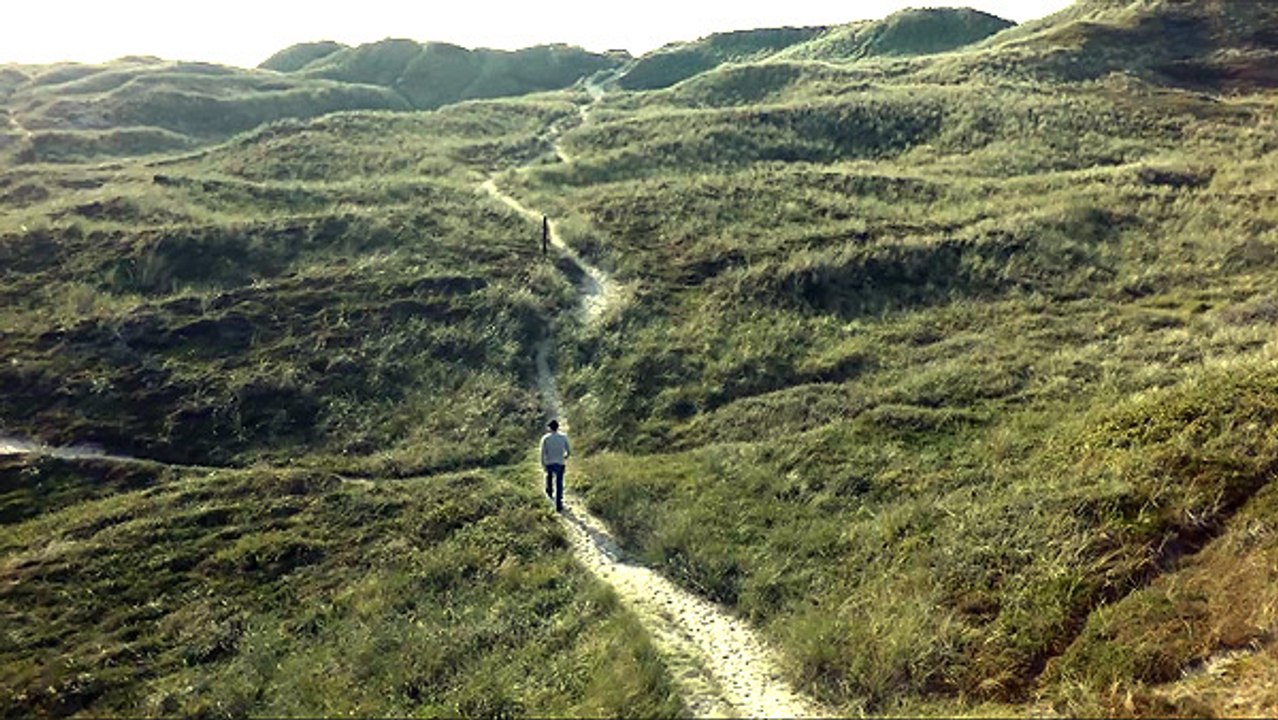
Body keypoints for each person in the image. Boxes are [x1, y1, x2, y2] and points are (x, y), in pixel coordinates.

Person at [540, 420, 570, 512]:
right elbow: (568, 451)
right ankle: (559, 503)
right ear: (558, 427)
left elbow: (542, 453)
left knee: (549, 478)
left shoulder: (546, 438)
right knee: (559, 483)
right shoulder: (563, 437)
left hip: (549, 462)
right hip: (560, 462)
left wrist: (543, 463)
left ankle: (549, 492)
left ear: (550, 428)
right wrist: (565, 456)